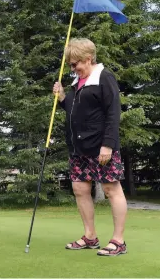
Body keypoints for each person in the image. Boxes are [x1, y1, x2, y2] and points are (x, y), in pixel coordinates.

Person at [53, 38, 127, 256]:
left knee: (111, 189)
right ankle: (90, 237)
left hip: (100, 146)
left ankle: (118, 241)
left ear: (88, 58)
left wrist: (108, 145)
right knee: (79, 189)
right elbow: (74, 110)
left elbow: (113, 113)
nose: (73, 68)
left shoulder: (104, 77)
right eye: (70, 65)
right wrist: (63, 97)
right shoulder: (77, 82)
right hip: (79, 147)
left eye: (76, 64)